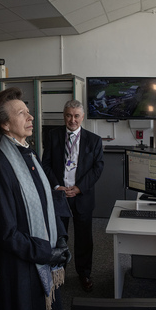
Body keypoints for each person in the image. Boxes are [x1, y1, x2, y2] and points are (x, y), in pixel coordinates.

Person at [0, 87, 71, 310]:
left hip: (40, 255)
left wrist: (60, 238)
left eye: (28, 112)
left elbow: (47, 202)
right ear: (5, 124)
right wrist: (46, 251)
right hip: (20, 268)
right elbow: (6, 232)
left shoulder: (29, 154)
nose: (30, 117)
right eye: (22, 113)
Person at [42, 99, 104, 292]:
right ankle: (58, 273)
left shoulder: (94, 140)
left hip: (82, 196)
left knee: (84, 238)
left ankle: (84, 273)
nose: (72, 120)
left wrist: (79, 188)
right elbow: (47, 164)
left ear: (82, 117)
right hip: (60, 195)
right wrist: (57, 185)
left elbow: (97, 167)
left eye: (76, 116)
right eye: (69, 115)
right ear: (64, 116)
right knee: (59, 237)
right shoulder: (52, 136)